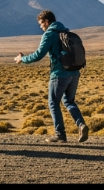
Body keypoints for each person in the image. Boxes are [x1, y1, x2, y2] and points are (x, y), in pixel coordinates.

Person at [15, 10, 89, 143]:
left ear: (46, 22)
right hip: (74, 73)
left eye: (41, 24)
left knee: (53, 102)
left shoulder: (50, 34)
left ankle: (60, 134)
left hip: (59, 74)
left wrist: (23, 59)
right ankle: (81, 124)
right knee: (69, 101)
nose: (40, 27)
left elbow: (38, 55)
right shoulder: (65, 31)